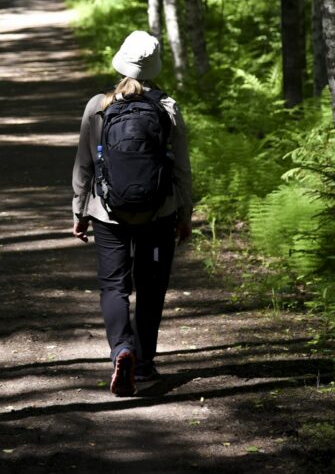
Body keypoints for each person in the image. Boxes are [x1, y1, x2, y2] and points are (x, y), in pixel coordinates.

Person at [71, 30, 193, 397]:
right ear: (154, 67)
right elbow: (182, 168)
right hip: (159, 212)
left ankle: (121, 348)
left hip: (108, 212)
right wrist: (185, 212)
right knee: (151, 287)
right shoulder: (167, 107)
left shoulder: (98, 106)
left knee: (114, 285)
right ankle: (143, 365)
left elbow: (84, 165)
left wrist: (79, 210)